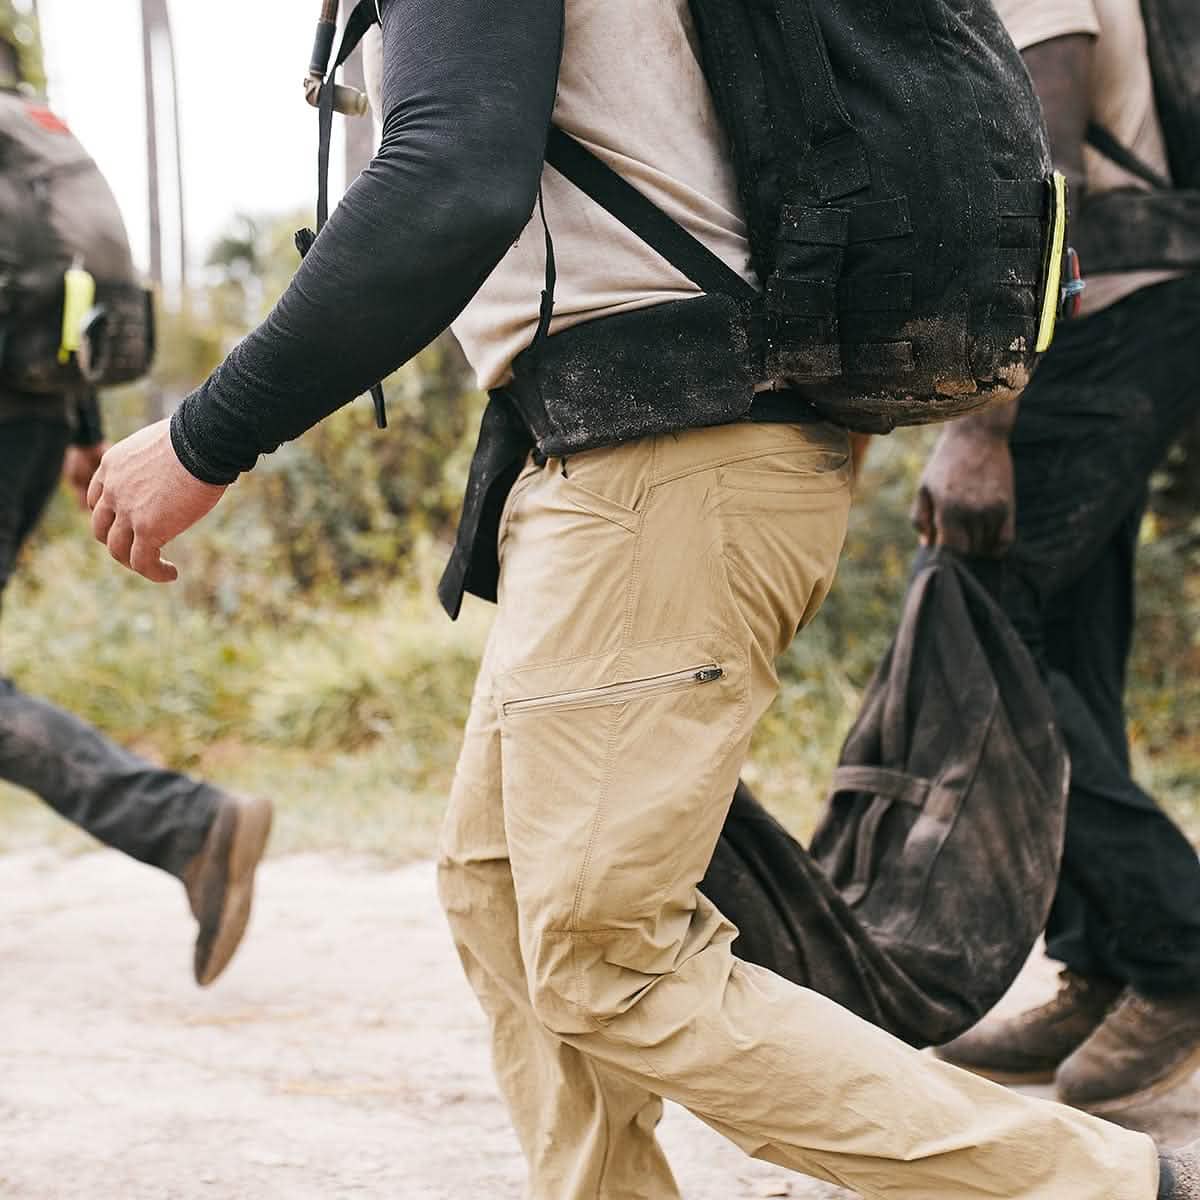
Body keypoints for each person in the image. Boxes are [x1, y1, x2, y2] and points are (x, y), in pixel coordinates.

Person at [86, 0, 1196, 1195]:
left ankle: (1104, 1187)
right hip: (637, 454)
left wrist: (204, 439)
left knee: (608, 959)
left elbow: (449, 181)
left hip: (670, 460)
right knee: (504, 890)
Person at [911, 0, 1200, 1117]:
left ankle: (1176, 941)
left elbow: (1042, 179)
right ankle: (1108, 958)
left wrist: (982, 417)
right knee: (1070, 631)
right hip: (1150, 303)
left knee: (980, 622)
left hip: (1105, 315)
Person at [0, 27, 271, 987]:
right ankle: (184, 826)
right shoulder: (20, 115)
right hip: (32, 418)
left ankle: (185, 824)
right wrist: (78, 427)